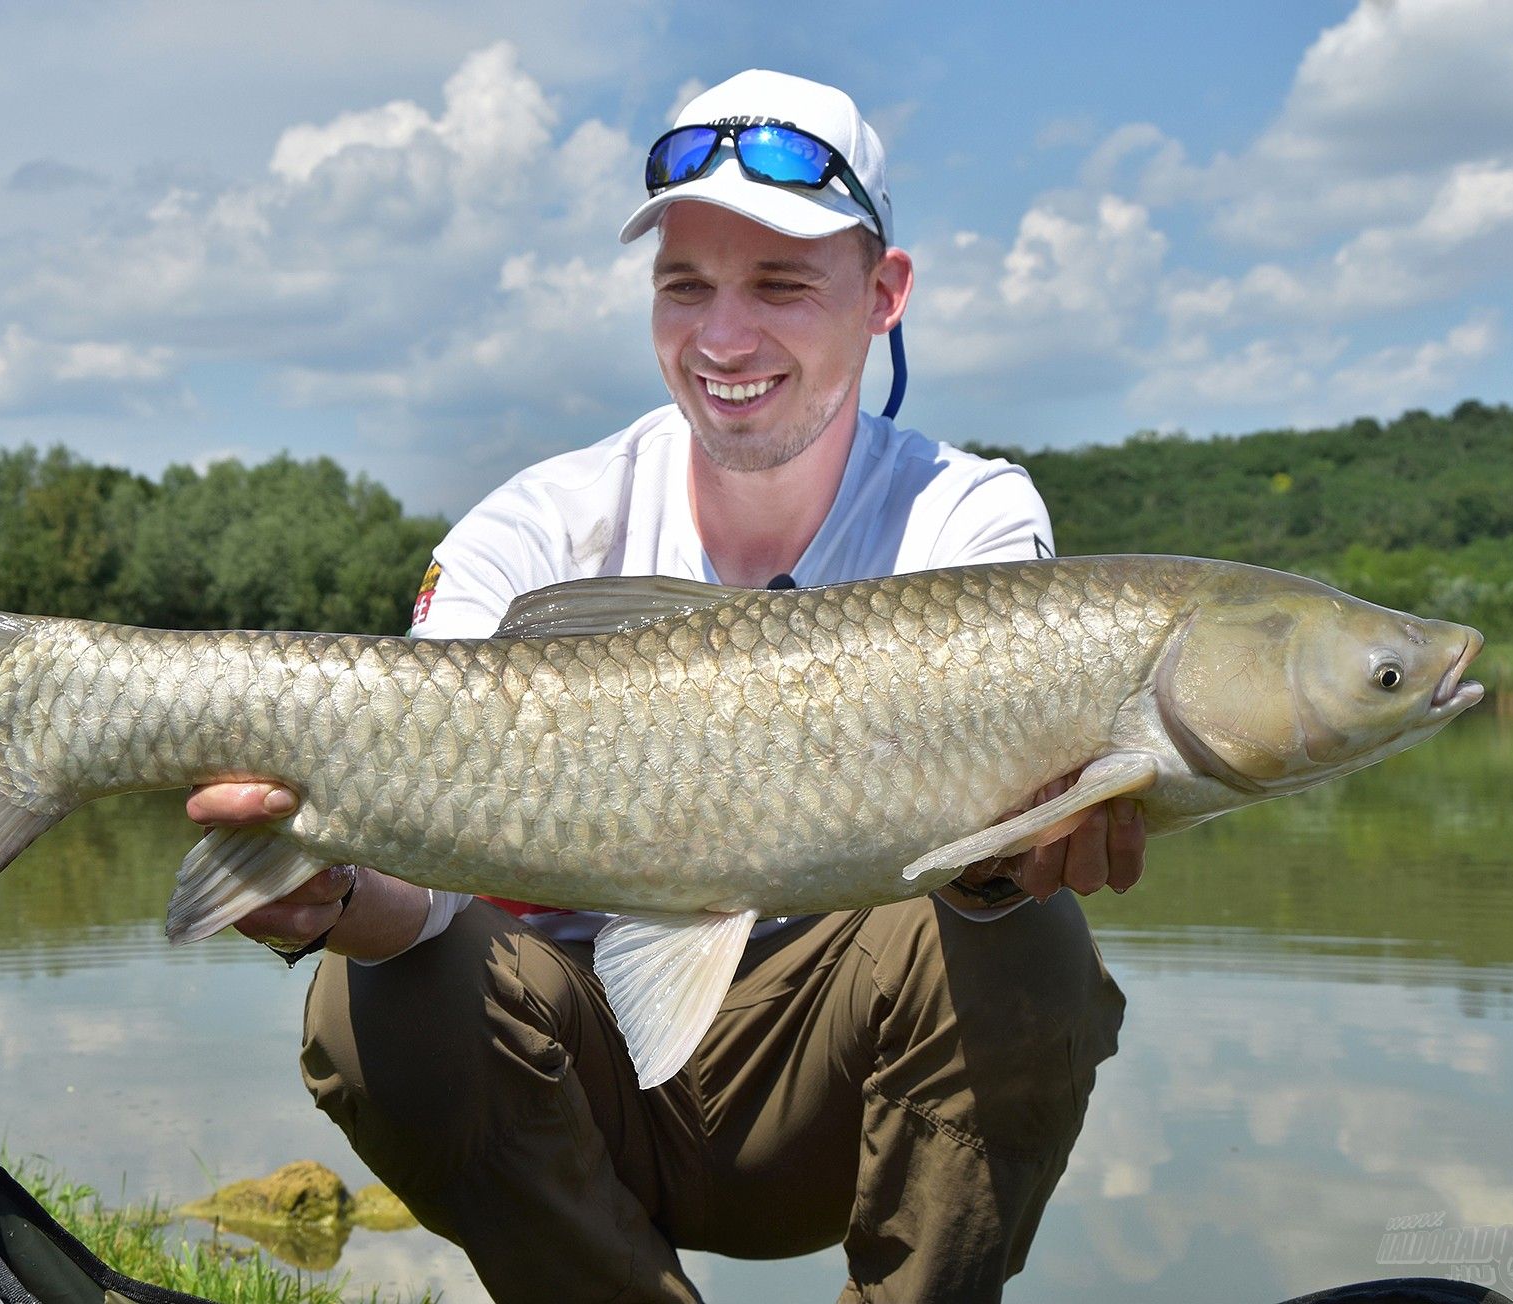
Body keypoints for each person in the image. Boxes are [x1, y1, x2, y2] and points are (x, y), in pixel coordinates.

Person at [189, 69, 1135, 1303]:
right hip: (574, 1083)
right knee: (371, 997)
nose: (723, 339)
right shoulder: (534, 527)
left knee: (1023, 936)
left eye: (781, 285)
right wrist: (322, 893)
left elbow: (1015, 839)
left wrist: (1016, 859)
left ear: (884, 297)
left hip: (828, 1094)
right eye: (685, 287)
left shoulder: (968, 518)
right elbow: (413, 892)